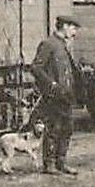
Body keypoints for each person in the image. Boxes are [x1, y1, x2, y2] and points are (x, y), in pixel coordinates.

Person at [30, 16, 82, 175]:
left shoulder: (63, 45)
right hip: (53, 96)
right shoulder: (48, 44)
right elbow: (36, 68)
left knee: (67, 129)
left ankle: (61, 162)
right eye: (73, 28)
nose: (74, 33)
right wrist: (51, 85)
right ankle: (49, 164)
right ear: (64, 26)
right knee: (53, 128)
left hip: (65, 95)